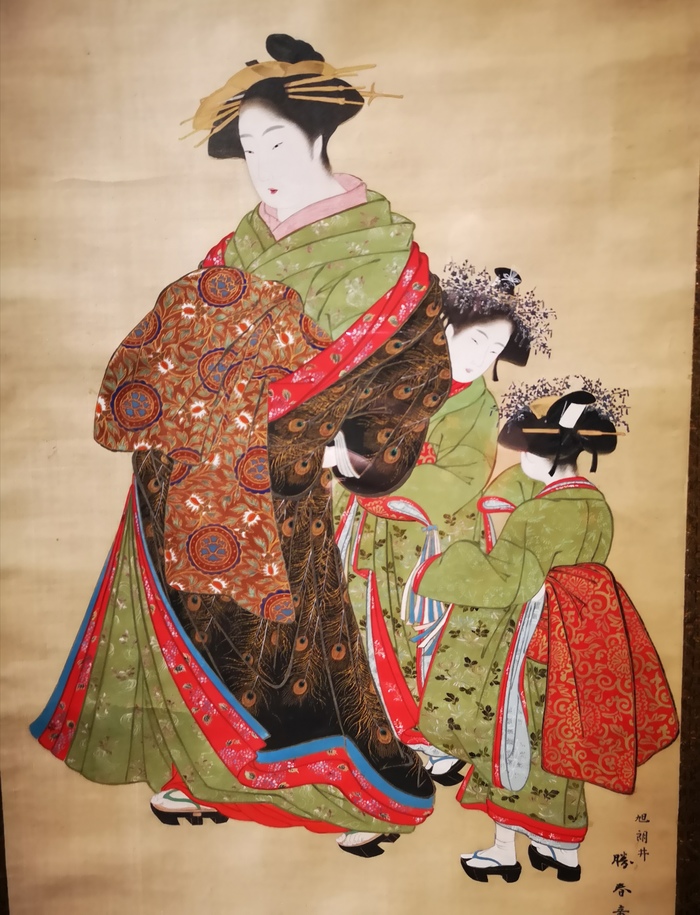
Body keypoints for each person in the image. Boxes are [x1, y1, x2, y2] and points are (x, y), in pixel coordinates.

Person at [30, 34, 454, 856]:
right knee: (194, 631)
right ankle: (195, 772)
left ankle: (347, 790)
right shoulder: (237, 249)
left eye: (277, 143)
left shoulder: (387, 258)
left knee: (299, 648)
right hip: (187, 477)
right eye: (250, 148)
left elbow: (413, 365)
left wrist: (355, 450)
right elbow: (181, 340)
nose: (263, 165)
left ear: (319, 136)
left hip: (286, 483)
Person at [412, 382, 678, 882]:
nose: (522, 460)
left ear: (551, 458)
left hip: (534, 636)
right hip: (580, 636)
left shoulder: (538, 512)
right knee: (559, 733)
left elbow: (505, 580)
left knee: (513, 730)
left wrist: (445, 566)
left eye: (528, 452)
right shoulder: (597, 505)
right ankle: (562, 852)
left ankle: (505, 851)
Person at [334, 264, 553, 783]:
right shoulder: (393, 375)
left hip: (427, 535)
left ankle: (425, 737)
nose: (481, 359)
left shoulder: (480, 407)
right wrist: (349, 466)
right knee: (354, 624)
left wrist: (380, 476)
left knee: (416, 634)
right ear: (447, 328)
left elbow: (464, 476)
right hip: (363, 524)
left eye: (494, 352)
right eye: (476, 341)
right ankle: (363, 730)